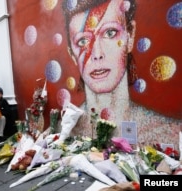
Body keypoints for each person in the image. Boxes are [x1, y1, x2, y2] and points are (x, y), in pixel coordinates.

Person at [62, 0, 181, 149]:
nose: (97, 53)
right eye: (82, 41)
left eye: (110, 33)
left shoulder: (171, 134)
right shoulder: (64, 132)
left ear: (130, 36)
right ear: (72, 54)